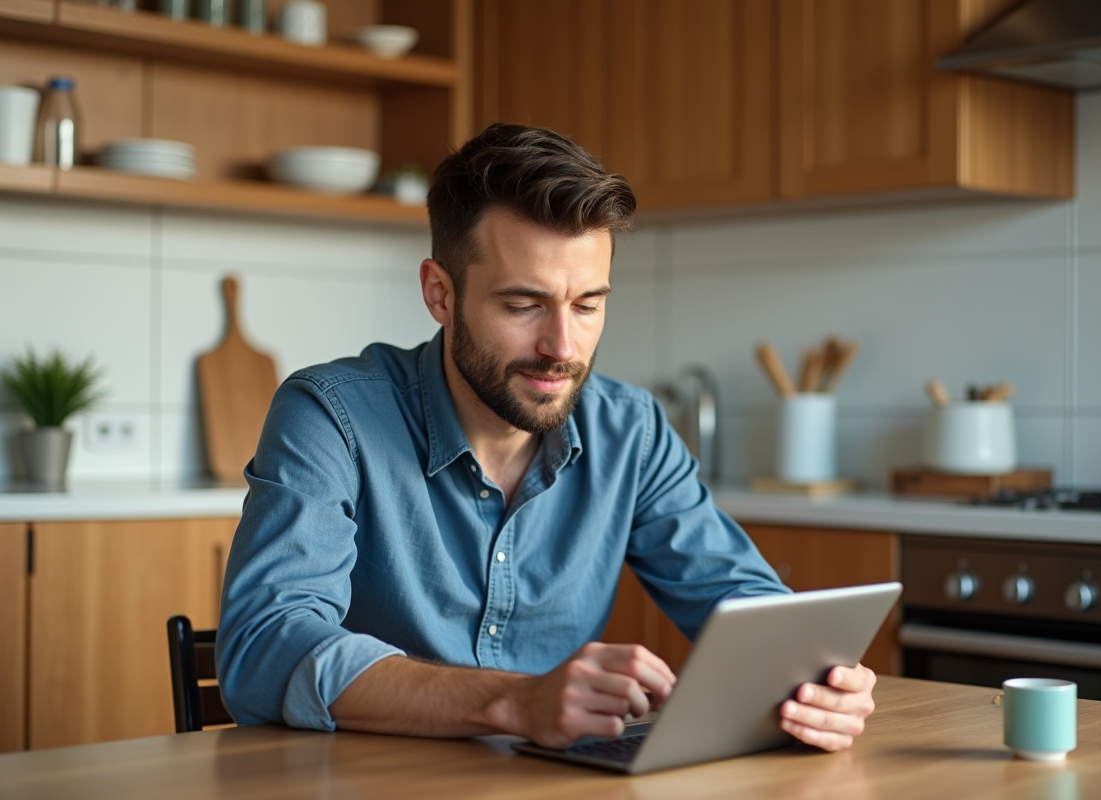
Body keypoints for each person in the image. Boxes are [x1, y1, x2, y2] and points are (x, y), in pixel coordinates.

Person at [216, 123, 877, 752]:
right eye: (523, 305)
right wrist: (513, 702)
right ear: (440, 294)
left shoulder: (632, 431)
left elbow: (748, 610)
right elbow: (265, 647)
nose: (562, 347)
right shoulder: (331, 416)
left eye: (588, 304)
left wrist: (817, 682)